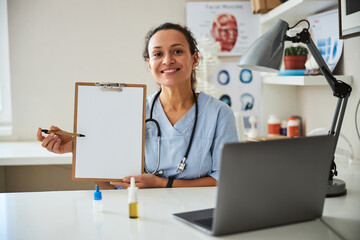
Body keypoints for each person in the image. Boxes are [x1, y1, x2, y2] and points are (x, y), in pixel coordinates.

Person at [37, 23, 238, 189]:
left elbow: (224, 181)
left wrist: (161, 184)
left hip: (200, 214)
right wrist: (80, 151)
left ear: (194, 59)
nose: (168, 60)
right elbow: (114, 187)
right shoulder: (132, 111)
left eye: (177, 51)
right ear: (149, 64)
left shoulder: (220, 114)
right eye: (158, 54)